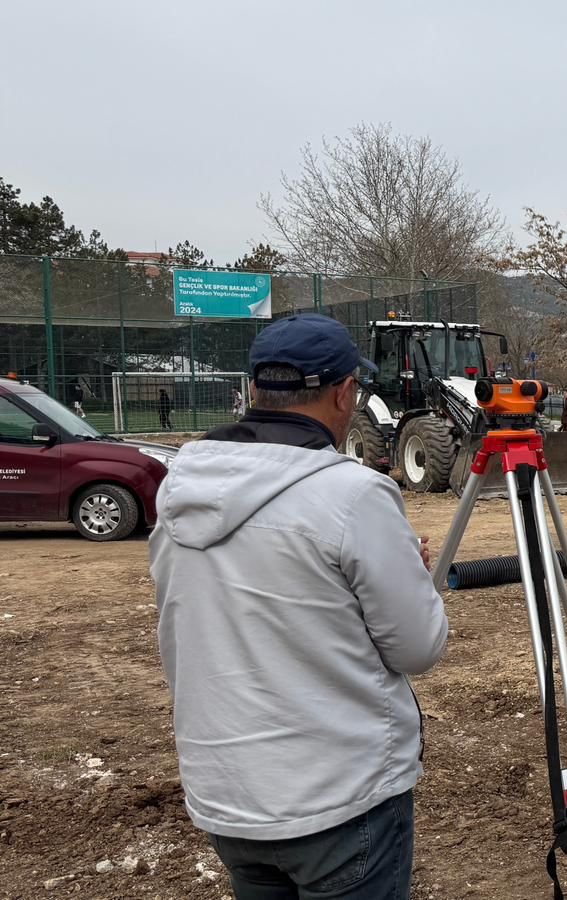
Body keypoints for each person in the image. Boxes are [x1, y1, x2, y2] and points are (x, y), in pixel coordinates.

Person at [149, 313, 448, 900]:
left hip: (227, 794)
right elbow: (418, 647)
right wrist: (408, 572)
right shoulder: (353, 494)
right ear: (343, 394)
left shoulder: (181, 488)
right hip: (335, 799)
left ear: (256, 389)